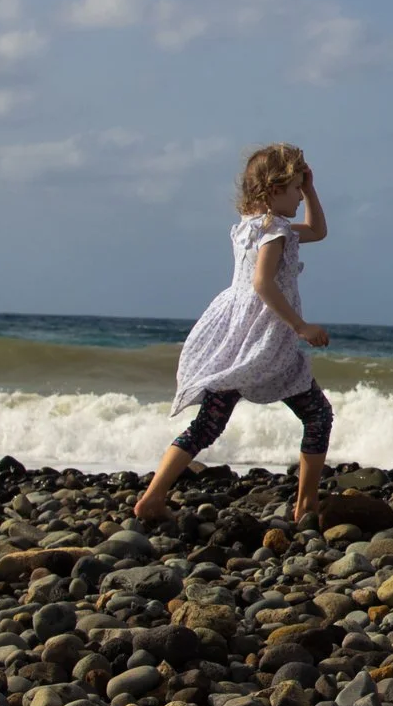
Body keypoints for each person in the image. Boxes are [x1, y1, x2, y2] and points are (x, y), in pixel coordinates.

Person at [134, 144, 333, 525]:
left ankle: (153, 496)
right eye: (293, 188)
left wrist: (309, 188)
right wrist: (300, 326)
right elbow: (263, 283)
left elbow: (318, 231)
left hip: (235, 338)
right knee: (318, 415)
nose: (298, 195)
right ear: (274, 190)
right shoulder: (274, 231)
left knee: (208, 424)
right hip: (262, 340)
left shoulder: (251, 227)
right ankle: (306, 505)